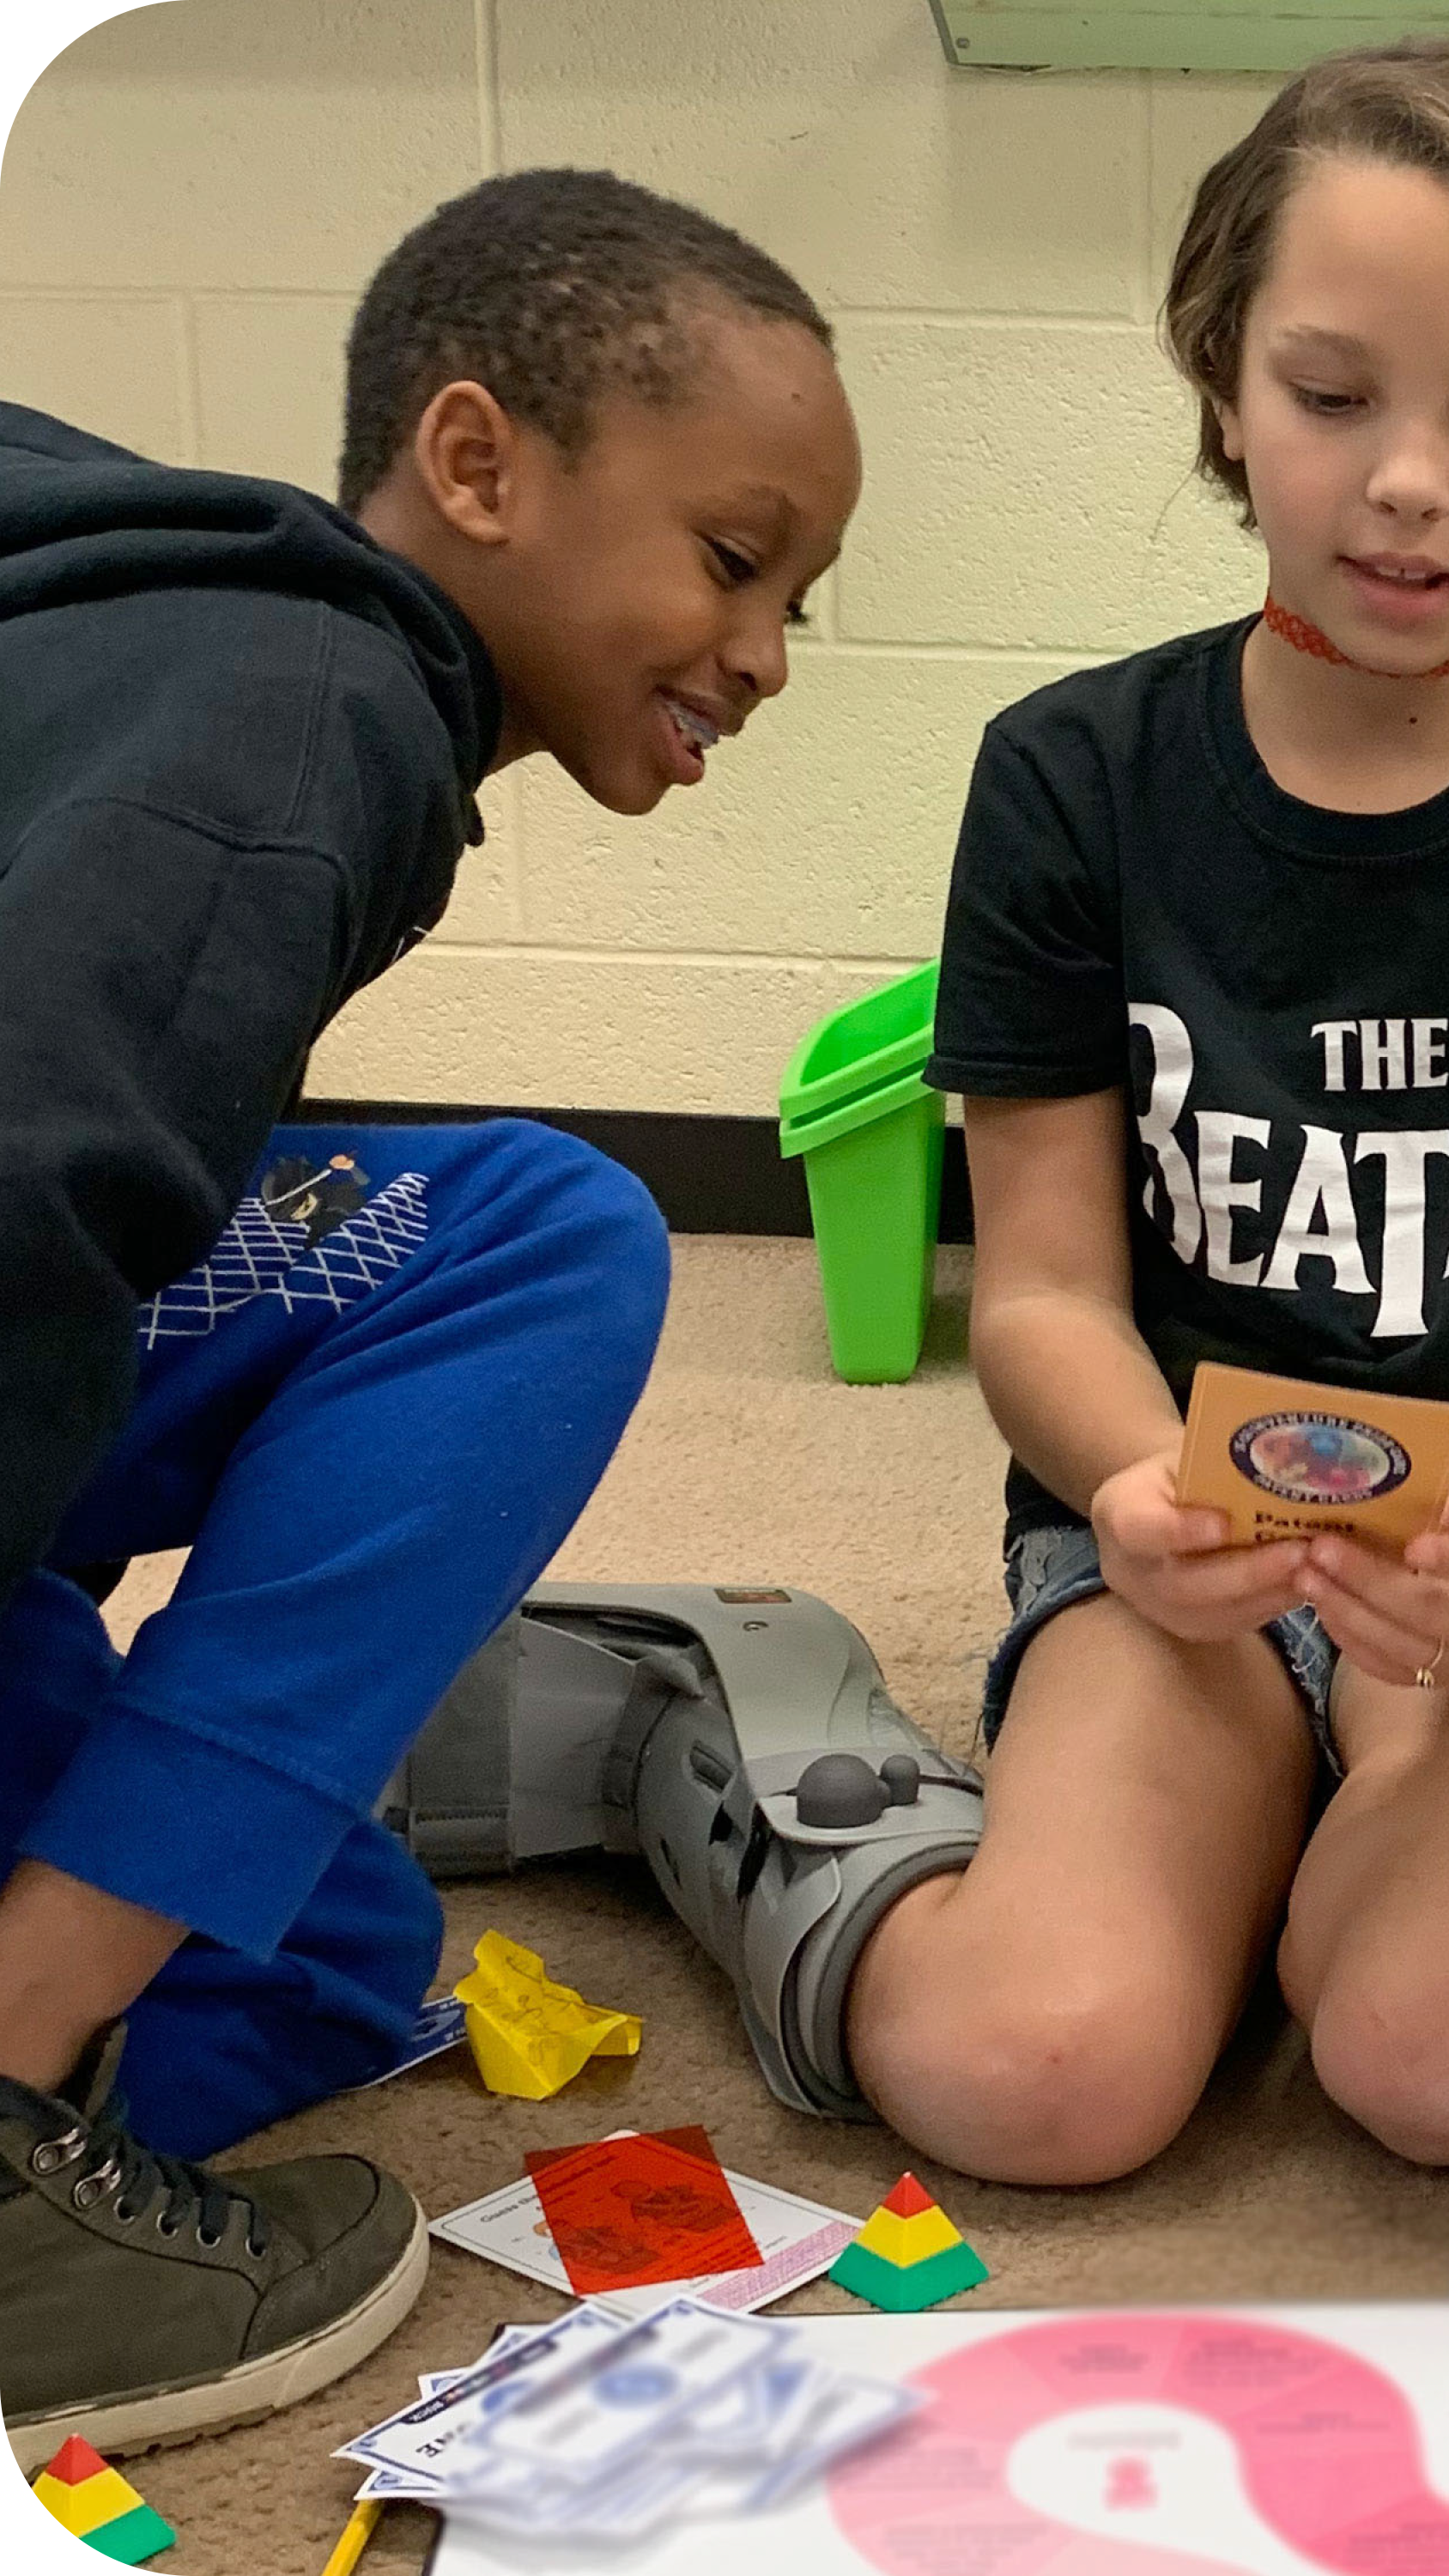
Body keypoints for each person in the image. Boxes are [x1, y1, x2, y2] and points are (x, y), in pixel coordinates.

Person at [697, 33, 1449, 2186]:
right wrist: (1122, 1495)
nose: (1408, 482)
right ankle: (721, 1766)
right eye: (1330, 392)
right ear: (1221, 387)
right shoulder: (1072, 776)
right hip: (1171, 1543)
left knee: (1446, 2068)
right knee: (1041, 2078)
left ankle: (1369, 1814)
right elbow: (1042, 1299)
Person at [0, 167, 859, 2461]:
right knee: (551, 1241)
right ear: (476, 466)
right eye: (734, 556)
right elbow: (24, 1196)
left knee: (320, 1946)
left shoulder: (160, 599)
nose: (768, 649)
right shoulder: (313, 725)